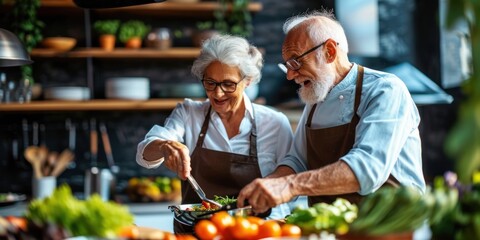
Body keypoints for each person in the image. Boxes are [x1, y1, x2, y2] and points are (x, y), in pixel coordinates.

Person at [237, 9, 426, 214]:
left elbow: (367, 170)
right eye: (287, 66)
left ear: (329, 51)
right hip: (332, 226)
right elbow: (297, 160)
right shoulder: (316, 98)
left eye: (296, 62)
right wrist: (268, 185)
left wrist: (289, 186)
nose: (290, 76)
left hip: (390, 225)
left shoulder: (385, 90)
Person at [136, 34, 297, 233]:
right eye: (210, 83)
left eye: (228, 84)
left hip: (255, 231)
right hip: (195, 233)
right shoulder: (189, 113)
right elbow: (144, 154)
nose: (218, 94)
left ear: (248, 81)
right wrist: (164, 146)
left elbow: (289, 183)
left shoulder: (274, 123)